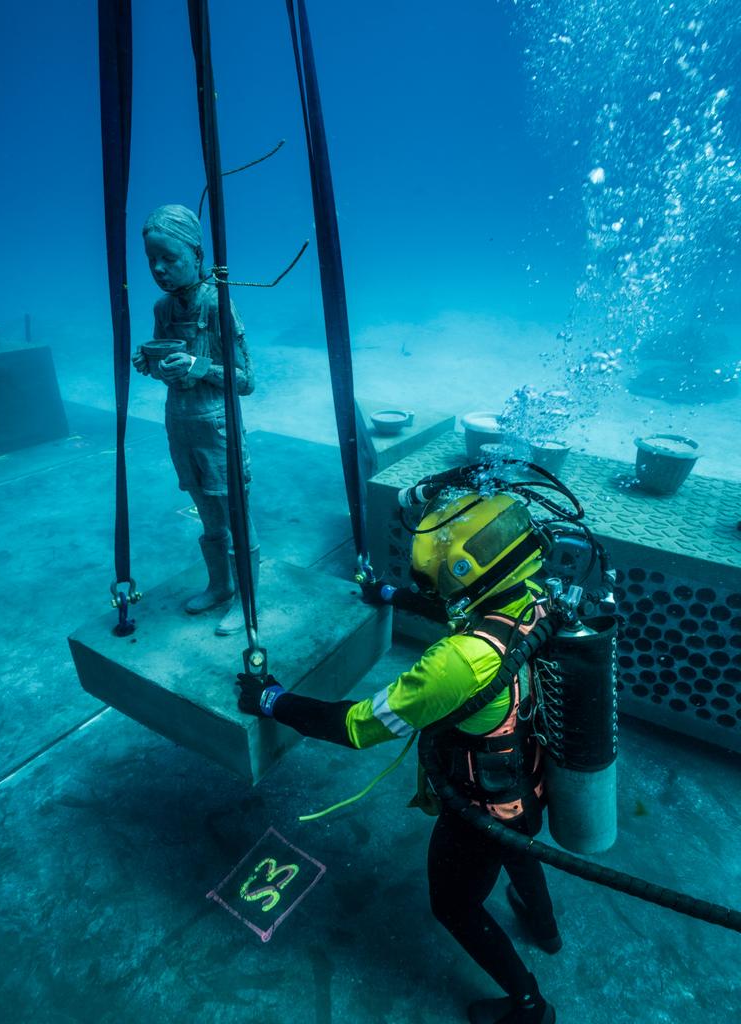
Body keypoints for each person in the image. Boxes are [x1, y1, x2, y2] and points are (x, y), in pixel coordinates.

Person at [237, 489, 560, 1024]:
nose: (437, 584)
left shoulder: (454, 665)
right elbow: (465, 611)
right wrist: (390, 593)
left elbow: (355, 726)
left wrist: (271, 699)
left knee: (454, 905)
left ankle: (530, 1005)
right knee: (520, 847)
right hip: (530, 783)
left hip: (482, 809)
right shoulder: (530, 595)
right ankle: (545, 930)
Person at [132, 204, 258, 635]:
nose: (160, 269)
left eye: (170, 258)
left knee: (236, 513)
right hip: (181, 423)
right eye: (152, 260)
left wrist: (195, 364)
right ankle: (221, 586)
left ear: (197, 255)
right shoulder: (163, 308)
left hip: (217, 424)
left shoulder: (218, 302)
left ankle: (248, 601)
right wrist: (149, 364)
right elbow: (169, 362)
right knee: (207, 513)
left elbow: (246, 380)